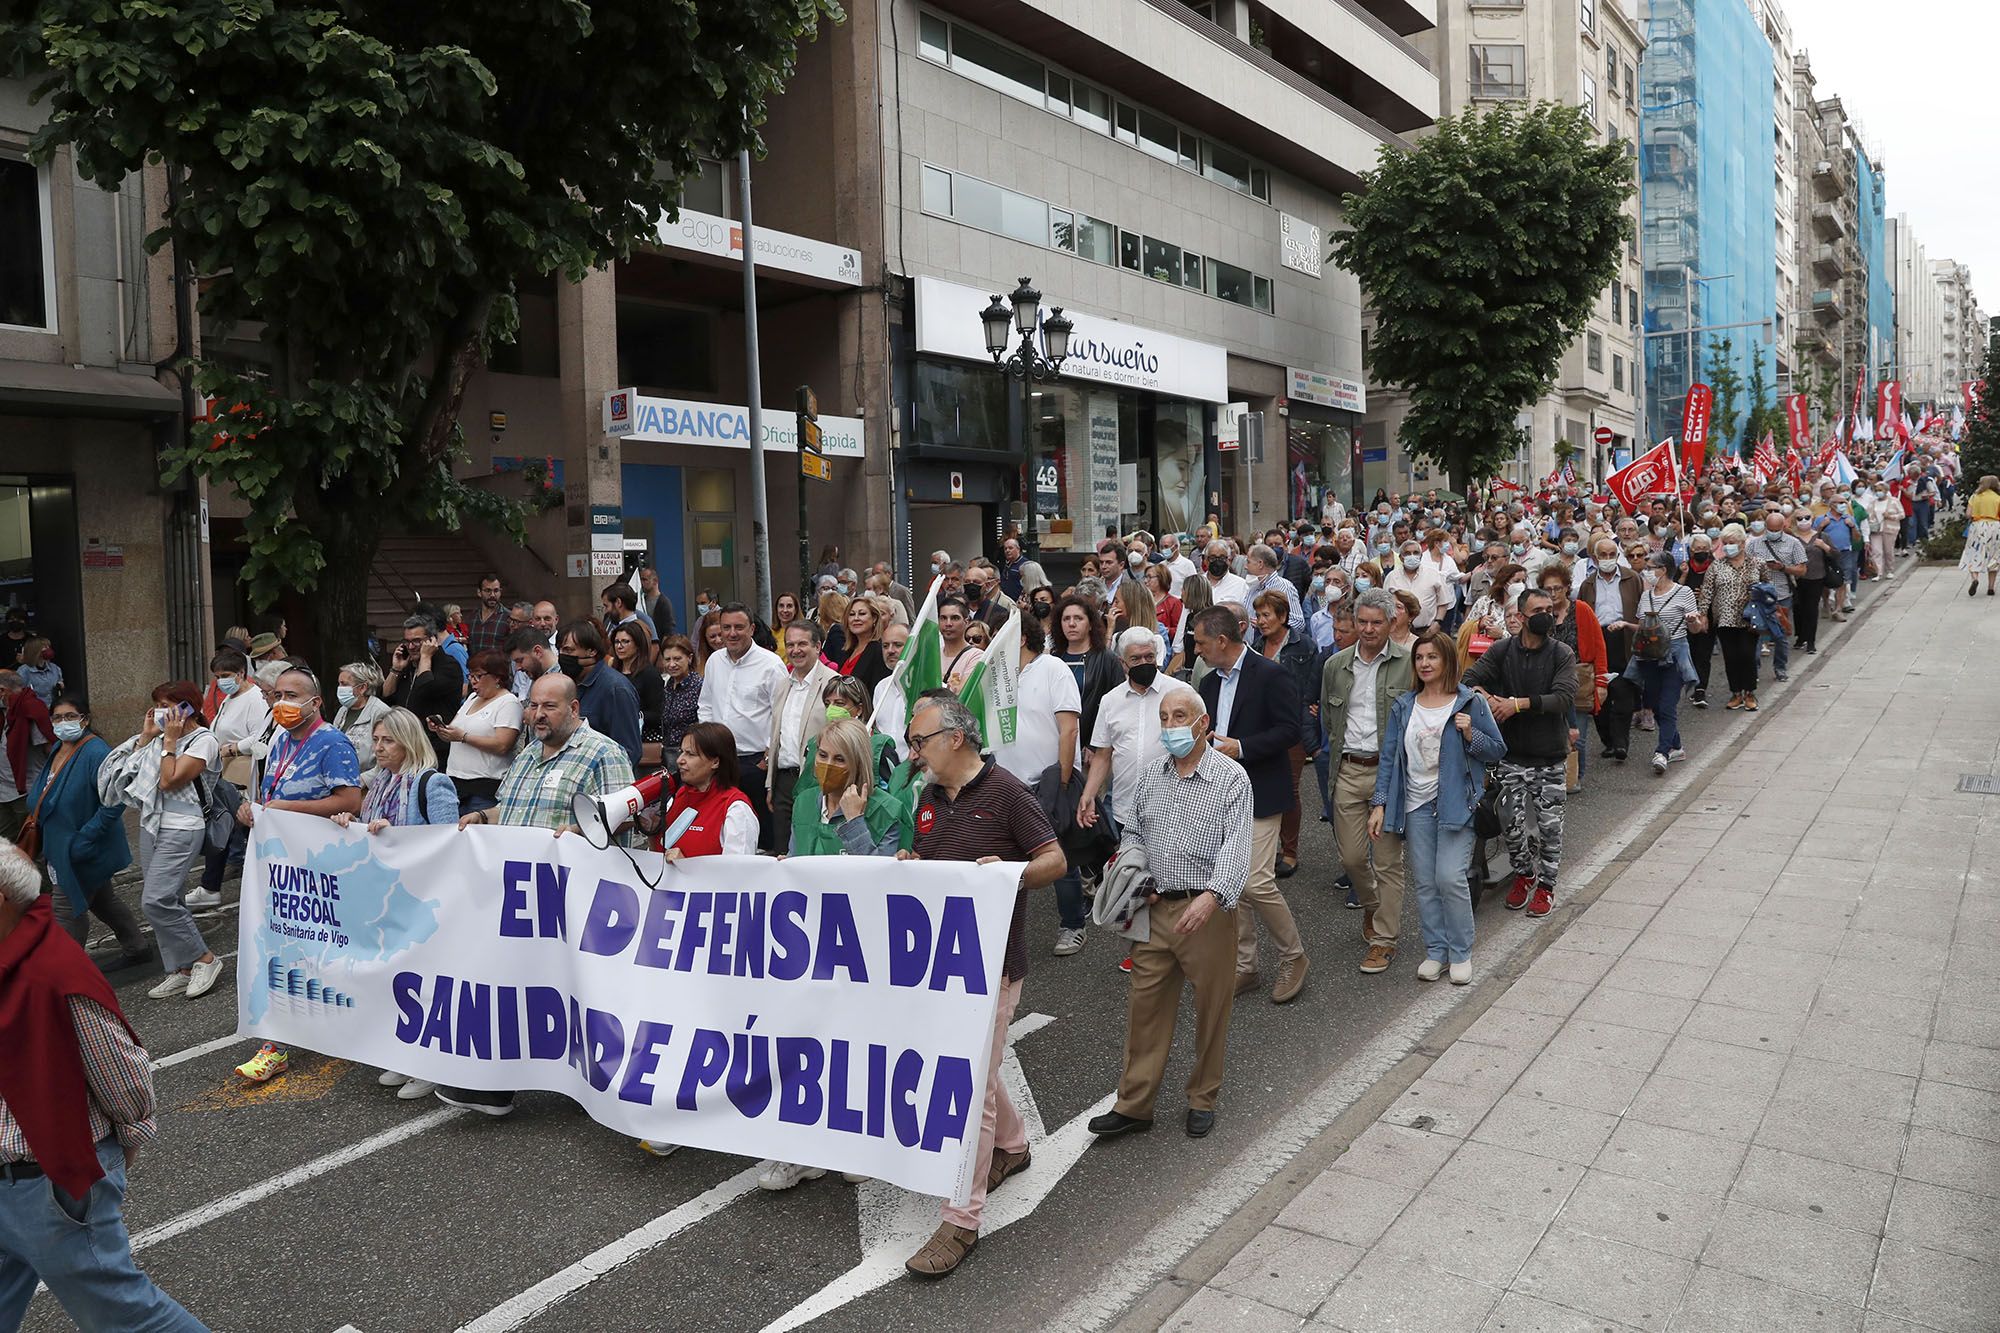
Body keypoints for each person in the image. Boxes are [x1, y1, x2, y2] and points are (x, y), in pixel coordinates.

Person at [0, 843, 211, 1333]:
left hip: (43, 1184)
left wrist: (129, 1136)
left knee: (127, 1315)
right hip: (19, 1176)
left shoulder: (51, 969)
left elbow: (118, 1067)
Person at [897, 696, 1066, 1278]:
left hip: (991, 968)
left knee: (968, 1090)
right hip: (940, 966)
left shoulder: (1009, 793)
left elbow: (1055, 861)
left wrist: (1009, 873)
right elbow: (928, 858)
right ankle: (1013, 1148)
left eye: (919, 740)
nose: (912, 751)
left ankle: (962, 1219)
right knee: (981, 1072)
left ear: (956, 739)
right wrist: (907, 862)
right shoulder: (928, 799)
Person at [441, 673, 634, 1117]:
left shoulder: (602, 753)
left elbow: (626, 818)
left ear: (574, 709)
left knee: (579, 995)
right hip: (518, 897)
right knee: (510, 987)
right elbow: (509, 808)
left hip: (572, 899)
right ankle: (494, 1085)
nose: (536, 715)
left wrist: (585, 830)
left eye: (549, 706)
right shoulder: (528, 753)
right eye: (532, 706)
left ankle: (611, 1088)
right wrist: (483, 818)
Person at [1088, 684, 1252, 1142]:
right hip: (1155, 907)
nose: (1170, 725)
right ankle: (1134, 1105)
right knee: (1145, 1009)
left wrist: (1214, 896)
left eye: (1180, 716)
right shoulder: (1152, 775)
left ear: (1203, 724)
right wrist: (1136, 878)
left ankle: (1202, 1097)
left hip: (1207, 911)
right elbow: (1134, 833)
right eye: (1163, 717)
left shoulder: (1231, 779)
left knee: (1211, 1008)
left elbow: (1237, 847)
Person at [230, 668, 363, 1081]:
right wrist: (251, 810)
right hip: (281, 863)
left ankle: (350, 1026)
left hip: (321, 866)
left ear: (315, 702)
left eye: (291, 695)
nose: (281, 703)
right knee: (280, 946)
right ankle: (277, 1042)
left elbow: (350, 800)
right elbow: (271, 796)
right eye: (277, 695)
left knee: (328, 948)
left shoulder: (333, 743)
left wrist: (286, 812)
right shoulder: (280, 740)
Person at [1368, 630, 1505, 984]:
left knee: (1450, 877)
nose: (1425, 664)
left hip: (1457, 804)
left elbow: (1496, 750)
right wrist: (1380, 803)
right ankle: (1436, 951)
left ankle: (1460, 952)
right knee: (1426, 883)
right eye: (1420, 658)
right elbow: (1389, 759)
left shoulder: (1469, 702)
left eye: (1433, 657)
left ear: (1447, 661)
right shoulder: (1404, 706)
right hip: (1414, 805)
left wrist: (1471, 733)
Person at [1189, 607, 1310, 1004]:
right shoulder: (1206, 681)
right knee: (1229, 884)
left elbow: (1290, 730)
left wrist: (1240, 747)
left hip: (1261, 791)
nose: (1196, 647)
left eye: (1201, 641)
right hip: (1219, 795)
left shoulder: (1271, 675)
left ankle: (1294, 957)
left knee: (1255, 880)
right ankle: (1246, 966)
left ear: (1222, 641)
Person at [338, 707, 458, 1103]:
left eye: (387, 740)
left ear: (408, 741)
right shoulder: (382, 784)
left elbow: (447, 840)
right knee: (395, 979)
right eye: (375, 740)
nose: (379, 748)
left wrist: (399, 835)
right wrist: (349, 823)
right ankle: (406, 1054)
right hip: (386, 900)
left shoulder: (431, 783)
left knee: (423, 982)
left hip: (421, 899)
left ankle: (431, 1063)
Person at [97, 682, 227, 1001]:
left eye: (168, 705)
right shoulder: (157, 740)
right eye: (157, 705)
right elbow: (127, 772)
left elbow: (169, 780)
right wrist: (147, 737)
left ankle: (204, 959)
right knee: (172, 899)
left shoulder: (203, 741)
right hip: (153, 823)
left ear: (188, 708)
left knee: (156, 900)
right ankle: (182, 968)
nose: (161, 712)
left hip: (184, 826)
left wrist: (168, 741)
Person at [1460, 588, 1577, 919]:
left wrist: (1517, 705)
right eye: (1538, 609)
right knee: (1510, 825)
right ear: (1521, 617)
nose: (1547, 614)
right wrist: (1487, 697)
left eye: (1550, 608)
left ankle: (1547, 886)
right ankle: (1525, 874)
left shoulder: (1561, 653)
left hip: (1550, 757)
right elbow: (1469, 679)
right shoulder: (1502, 650)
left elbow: (1563, 698)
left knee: (1550, 828)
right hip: (1511, 757)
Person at [1319, 589, 1413, 973]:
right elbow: (1328, 717)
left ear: (1392, 623)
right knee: (1352, 858)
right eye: (1363, 622)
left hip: (1387, 773)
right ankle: (1373, 906)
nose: (1369, 629)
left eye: (1377, 622)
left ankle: (1384, 940)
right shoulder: (1335, 665)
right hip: (1347, 770)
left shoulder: (1409, 664)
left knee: (1388, 861)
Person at [990, 608, 1086, 954]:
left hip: (1047, 783)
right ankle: (1002, 930)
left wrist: (1061, 781)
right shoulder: (996, 675)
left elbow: (1069, 727)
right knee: (1004, 863)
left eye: (999, 635)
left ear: (1021, 637)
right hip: (1006, 784)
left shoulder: (1053, 669)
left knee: (1060, 860)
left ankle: (1073, 925)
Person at [27, 696, 145, 965]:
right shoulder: (59, 747)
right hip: (61, 845)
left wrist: (84, 839)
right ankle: (137, 947)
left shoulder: (96, 753)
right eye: (57, 718)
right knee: (103, 900)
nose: (63, 723)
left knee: (66, 910)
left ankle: (65, 972)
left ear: (85, 719)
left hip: (80, 848)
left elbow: (114, 802)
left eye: (70, 716)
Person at [696, 602, 788, 851]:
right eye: (726, 628)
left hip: (756, 763)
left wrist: (768, 757)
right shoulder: (715, 661)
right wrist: (707, 745)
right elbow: (705, 704)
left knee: (762, 837)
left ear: (752, 629)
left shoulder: (771, 665)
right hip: (720, 762)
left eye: (739, 627)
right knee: (725, 831)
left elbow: (782, 715)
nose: (732, 633)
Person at [1252, 590, 1317, 880]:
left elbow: (1312, 686)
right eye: (1259, 615)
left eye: (1267, 615)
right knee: (1263, 786)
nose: (1262, 621)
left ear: (1283, 616)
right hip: (1261, 727)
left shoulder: (1303, 645)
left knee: (1289, 789)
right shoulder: (1256, 644)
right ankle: (1267, 848)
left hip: (1292, 726)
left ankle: (1290, 851)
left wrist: (1311, 711)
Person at [767, 620, 836, 849]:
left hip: (817, 780)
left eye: (802, 644)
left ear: (818, 647)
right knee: (781, 851)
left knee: (811, 849)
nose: (795, 650)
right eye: (790, 644)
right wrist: (770, 784)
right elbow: (776, 737)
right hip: (783, 782)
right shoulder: (781, 685)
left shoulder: (832, 683)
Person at [1629, 553, 1699, 775]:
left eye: (1651, 567)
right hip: (1649, 656)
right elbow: (1642, 629)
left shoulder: (1683, 592)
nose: (1647, 571)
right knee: (1655, 705)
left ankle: (1662, 752)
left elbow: (1696, 629)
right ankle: (1676, 746)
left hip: (1675, 655)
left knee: (1668, 705)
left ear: (1664, 569)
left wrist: (1694, 621)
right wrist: (1623, 624)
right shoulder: (1646, 596)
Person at [435, 650, 522, 814]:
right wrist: (442, 730)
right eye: (470, 676)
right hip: (455, 782)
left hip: (484, 787)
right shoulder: (472, 698)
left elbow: (503, 745)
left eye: (478, 676)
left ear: (497, 677)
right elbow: (455, 730)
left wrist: (464, 737)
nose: (473, 682)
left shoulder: (508, 702)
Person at [1696, 524, 1768, 712]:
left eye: (1732, 543)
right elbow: (1707, 592)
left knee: (1747, 654)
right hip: (1725, 619)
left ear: (1743, 544)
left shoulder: (1757, 563)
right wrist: (1703, 614)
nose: (1728, 546)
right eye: (1725, 543)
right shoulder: (1717, 565)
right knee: (1731, 656)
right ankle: (1736, 692)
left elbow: (1767, 587)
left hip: (1749, 618)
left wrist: (1766, 607)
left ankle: (1750, 692)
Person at [383, 612, 465, 767]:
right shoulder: (407, 665)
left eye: (416, 641)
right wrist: (396, 669)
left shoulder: (448, 665)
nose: (411, 647)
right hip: (406, 747)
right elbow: (387, 697)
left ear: (432, 640)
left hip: (433, 750)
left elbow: (424, 690)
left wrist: (426, 657)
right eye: (407, 642)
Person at [557, 620, 643, 768]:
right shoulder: (569, 684)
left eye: (569, 650)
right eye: (561, 650)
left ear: (592, 651)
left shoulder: (615, 689)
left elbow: (629, 751)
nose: (563, 656)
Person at [1748, 512, 1807, 684]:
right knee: (1755, 633)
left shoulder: (1793, 543)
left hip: (1781, 595)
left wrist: (1783, 568)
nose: (1772, 532)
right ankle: (1754, 669)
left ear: (1783, 528)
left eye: (1776, 530)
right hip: (1758, 596)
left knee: (1780, 635)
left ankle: (1780, 668)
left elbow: (1802, 570)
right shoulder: (1753, 544)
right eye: (1770, 529)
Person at [0, 671, 53, 843]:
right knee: (7, 846)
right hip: (4, 790)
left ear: (3, 691)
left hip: (26, 791)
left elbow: (50, 747)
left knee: (31, 845)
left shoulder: (29, 709)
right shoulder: (6, 710)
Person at [609, 620, 666, 759]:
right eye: (616, 642)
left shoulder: (649, 674)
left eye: (625, 642)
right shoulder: (611, 673)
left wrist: (632, 715)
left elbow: (657, 714)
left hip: (642, 741)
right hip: (613, 740)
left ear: (637, 645)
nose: (619, 646)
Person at [328, 660, 388, 766]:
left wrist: (364, 779)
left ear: (362, 688)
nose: (340, 688)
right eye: (339, 684)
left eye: (344, 684)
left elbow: (387, 756)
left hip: (366, 779)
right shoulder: (343, 710)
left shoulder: (380, 712)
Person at [656, 633, 703, 763]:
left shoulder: (698, 686)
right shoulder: (668, 684)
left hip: (691, 755)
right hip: (667, 753)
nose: (672, 664)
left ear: (689, 658)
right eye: (667, 659)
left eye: (677, 659)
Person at [834, 594, 892, 691]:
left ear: (874, 618)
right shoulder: (848, 650)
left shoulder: (879, 650)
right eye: (851, 614)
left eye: (862, 614)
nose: (856, 618)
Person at [1961, 475, 2000, 597]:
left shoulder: (1975, 497)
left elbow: (1968, 514)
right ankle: (1991, 587)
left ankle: (1975, 579)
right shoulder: (1998, 498)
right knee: (1994, 556)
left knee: (1974, 553)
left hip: (1978, 526)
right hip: (1995, 526)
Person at [938, 594, 984, 691]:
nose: (948, 624)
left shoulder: (976, 656)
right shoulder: (933, 655)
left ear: (966, 622)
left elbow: (963, 693)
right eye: (943, 618)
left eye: (955, 618)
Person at [465, 574, 511, 659]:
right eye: (488, 591)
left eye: (496, 590)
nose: (492, 595)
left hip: (498, 670)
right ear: (479, 592)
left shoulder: (508, 617)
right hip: (475, 670)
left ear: (500, 592)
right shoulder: (471, 618)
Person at [15, 638, 60, 709]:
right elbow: (17, 693)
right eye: (44, 647)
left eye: (48, 647)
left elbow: (59, 686)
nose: (48, 649)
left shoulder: (55, 668)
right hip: (35, 710)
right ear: (35, 651)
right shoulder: (24, 671)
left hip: (53, 708)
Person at [638, 563, 677, 641]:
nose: (642, 583)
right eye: (640, 580)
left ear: (655, 581)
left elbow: (668, 631)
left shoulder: (664, 603)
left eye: (645, 580)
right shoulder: (641, 600)